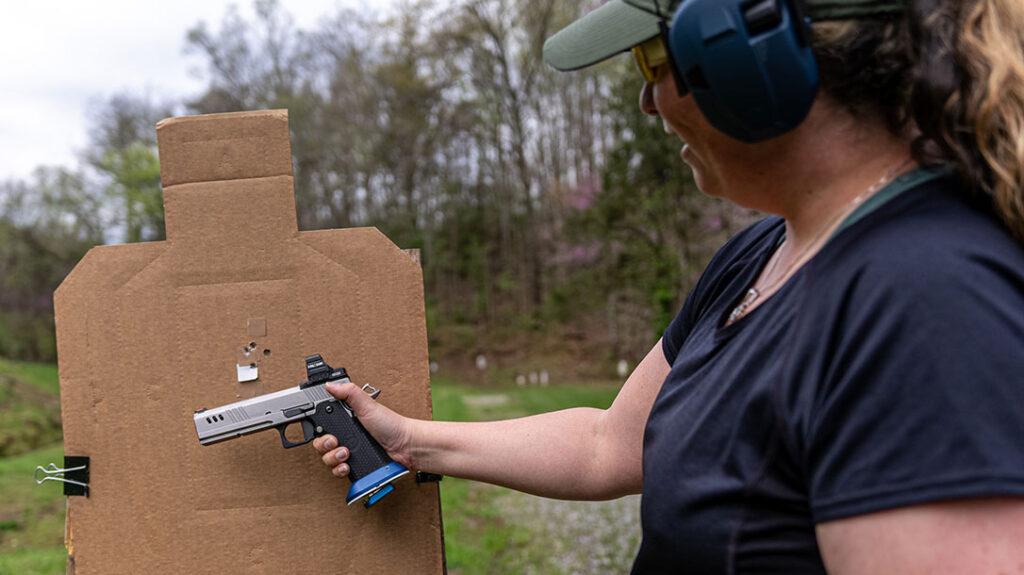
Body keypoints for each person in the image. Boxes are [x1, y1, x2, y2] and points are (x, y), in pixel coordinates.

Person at [314, 0, 1024, 571]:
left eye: (655, 60)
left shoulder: (926, 299)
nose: (649, 104)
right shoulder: (760, 253)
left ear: (754, 54)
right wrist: (408, 440)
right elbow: (608, 445)